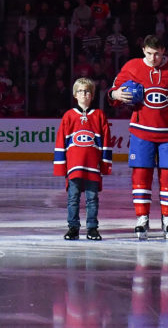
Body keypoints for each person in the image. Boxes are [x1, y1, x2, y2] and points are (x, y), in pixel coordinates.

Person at [109, 34, 168, 239]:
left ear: (164, 52)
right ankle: (142, 217)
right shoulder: (132, 66)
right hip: (141, 132)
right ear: (143, 50)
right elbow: (114, 91)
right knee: (141, 175)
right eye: (149, 53)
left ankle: (167, 217)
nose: (153, 58)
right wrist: (115, 95)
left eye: (157, 54)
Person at [53, 77, 112, 241]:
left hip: (93, 166)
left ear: (92, 95)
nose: (84, 94)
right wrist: (60, 166)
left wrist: (105, 164)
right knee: (73, 198)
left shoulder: (99, 115)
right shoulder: (69, 116)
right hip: (74, 166)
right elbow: (61, 142)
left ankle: (92, 228)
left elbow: (105, 141)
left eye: (87, 91)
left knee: (92, 199)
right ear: (75, 95)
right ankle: (73, 228)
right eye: (80, 91)